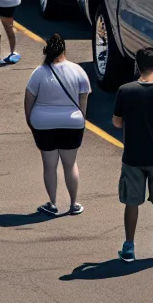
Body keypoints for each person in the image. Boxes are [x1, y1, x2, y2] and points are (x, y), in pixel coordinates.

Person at [112, 46, 153, 263]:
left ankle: (129, 247)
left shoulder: (125, 90)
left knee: (132, 203)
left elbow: (116, 121)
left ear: (137, 64)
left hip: (133, 155)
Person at [24, 33, 90, 217]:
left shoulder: (38, 73)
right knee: (70, 164)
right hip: (72, 123)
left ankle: (52, 203)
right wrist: (80, 121)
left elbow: (29, 99)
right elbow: (83, 99)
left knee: (49, 165)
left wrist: (31, 121)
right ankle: (73, 203)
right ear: (64, 50)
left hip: (43, 124)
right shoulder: (78, 71)